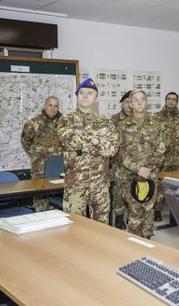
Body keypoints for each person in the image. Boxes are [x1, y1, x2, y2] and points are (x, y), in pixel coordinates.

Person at [57, 78, 120, 224]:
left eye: (90, 93)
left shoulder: (106, 122)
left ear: (96, 98)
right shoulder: (66, 120)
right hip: (75, 184)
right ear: (77, 96)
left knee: (101, 226)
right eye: (82, 93)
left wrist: (82, 141)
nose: (85, 96)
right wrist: (99, 140)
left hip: (100, 184)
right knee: (73, 225)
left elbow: (112, 148)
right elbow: (70, 141)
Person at [116, 89, 166, 239]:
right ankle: (135, 248)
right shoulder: (122, 126)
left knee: (148, 213)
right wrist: (137, 169)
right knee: (134, 215)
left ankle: (147, 245)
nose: (139, 102)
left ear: (146, 102)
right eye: (135, 100)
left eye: (142, 99)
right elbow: (119, 151)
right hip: (129, 178)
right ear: (130, 104)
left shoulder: (156, 125)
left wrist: (148, 169)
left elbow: (160, 150)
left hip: (150, 176)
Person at [21, 96, 62, 212]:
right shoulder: (33, 123)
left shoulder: (64, 123)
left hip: (58, 171)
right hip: (40, 169)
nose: (53, 108)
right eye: (50, 105)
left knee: (58, 205)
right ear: (44, 106)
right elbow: (25, 141)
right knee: (40, 203)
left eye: (56, 106)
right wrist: (37, 155)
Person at [153, 92, 179, 222]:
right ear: (165, 100)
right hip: (163, 156)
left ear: (177, 102)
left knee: (178, 185)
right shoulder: (157, 117)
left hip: (178, 155)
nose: (171, 101)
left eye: (174, 99)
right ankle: (157, 209)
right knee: (160, 184)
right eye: (169, 99)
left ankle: (176, 213)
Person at [110, 90, 132, 229]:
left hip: (135, 163)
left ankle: (132, 215)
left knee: (133, 191)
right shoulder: (114, 120)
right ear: (122, 103)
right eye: (126, 102)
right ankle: (118, 217)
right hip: (118, 164)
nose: (130, 105)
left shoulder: (138, 118)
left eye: (132, 102)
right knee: (118, 192)